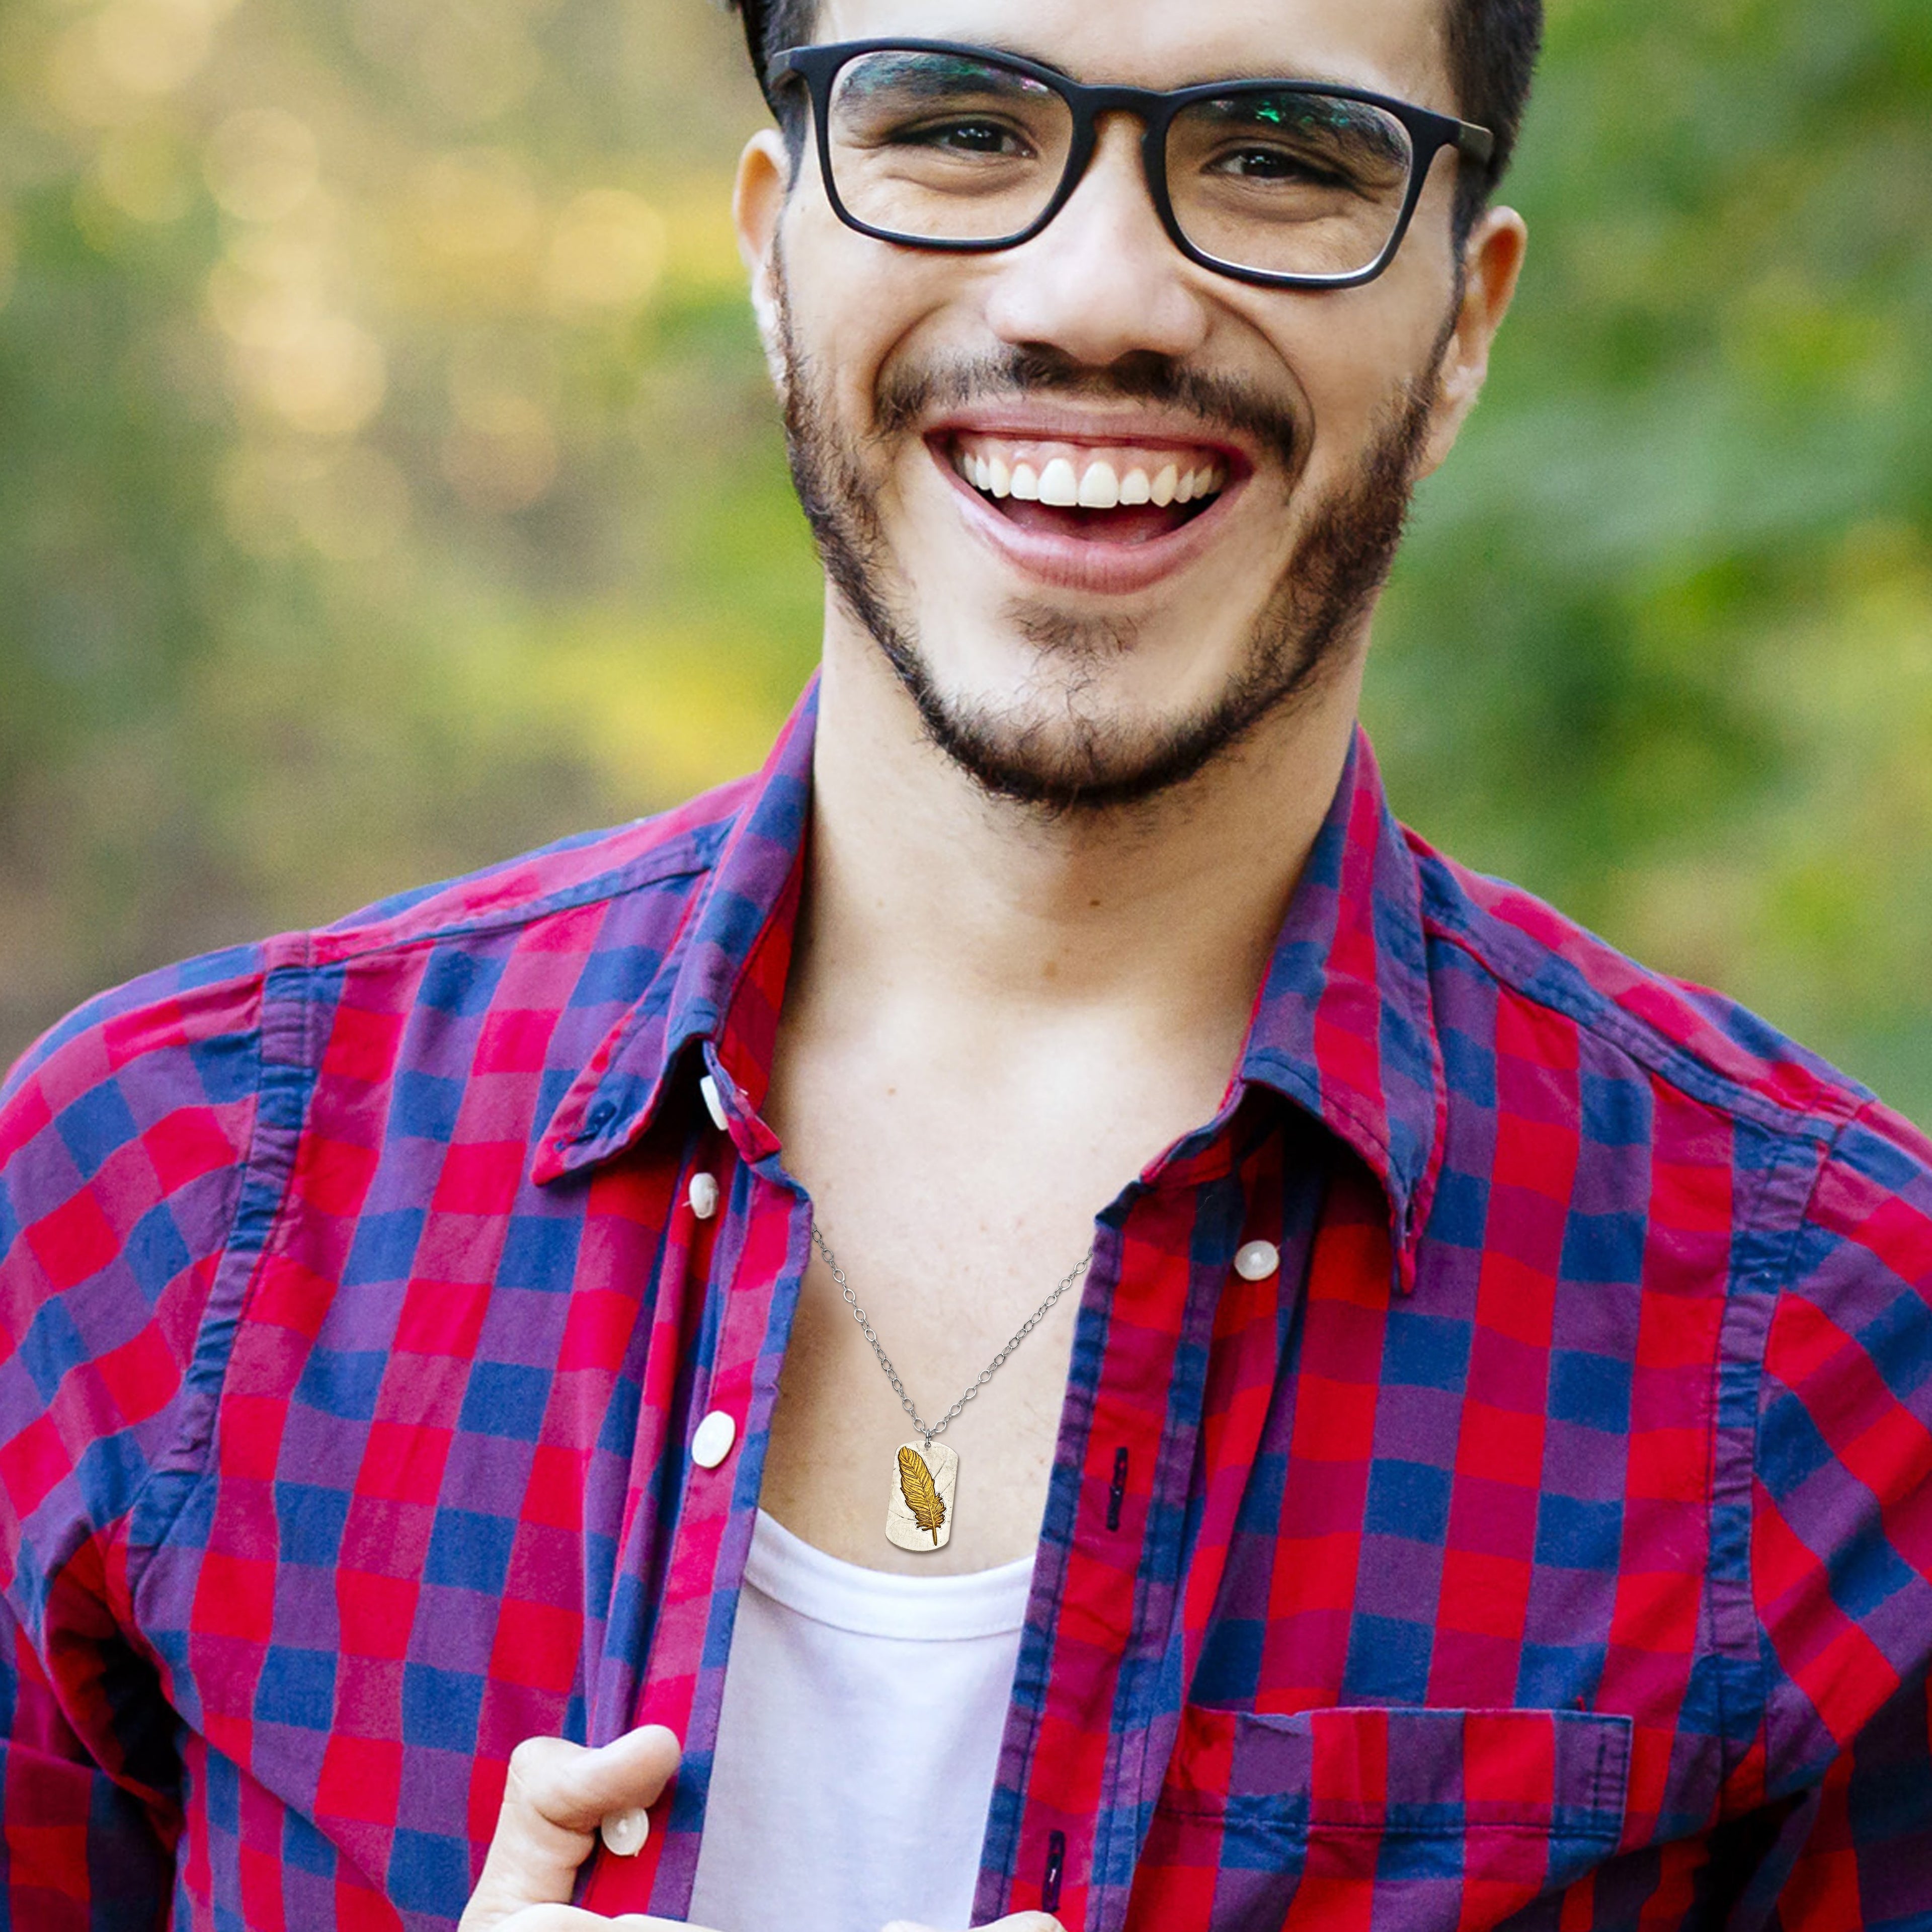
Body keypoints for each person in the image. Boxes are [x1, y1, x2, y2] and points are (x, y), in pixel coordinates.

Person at [5, 0, 1931, 1923]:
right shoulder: (163, 1202)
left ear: (1462, 328)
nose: (1100, 294)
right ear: (774, 246)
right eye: (955, 127)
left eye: (1276, 158)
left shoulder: (1835, 1355)